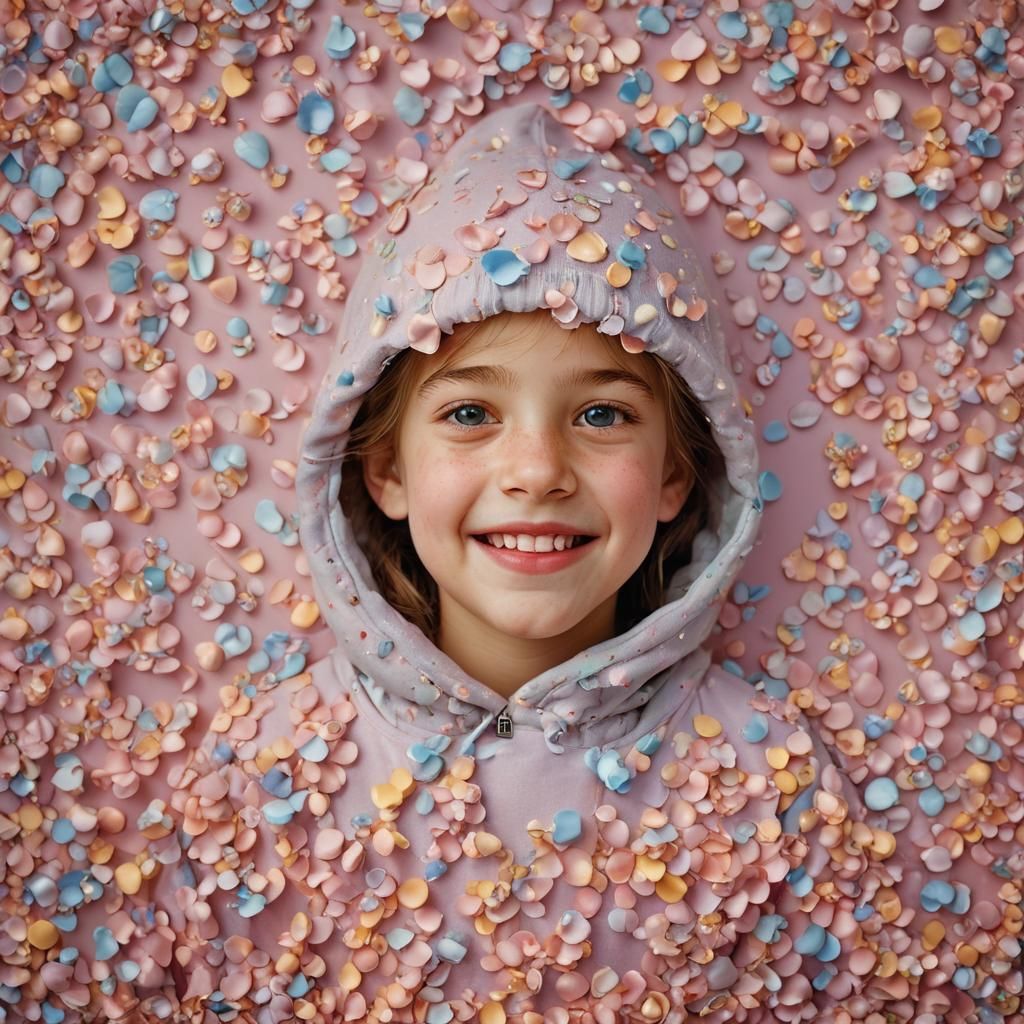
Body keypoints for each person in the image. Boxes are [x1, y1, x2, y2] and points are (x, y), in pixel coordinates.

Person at [162, 103, 867, 1022]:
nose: (536, 471)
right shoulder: (262, 774)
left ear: (674, 478)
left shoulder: (774, 781)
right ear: (385, 470)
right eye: (469, 415)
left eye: (602, 414)